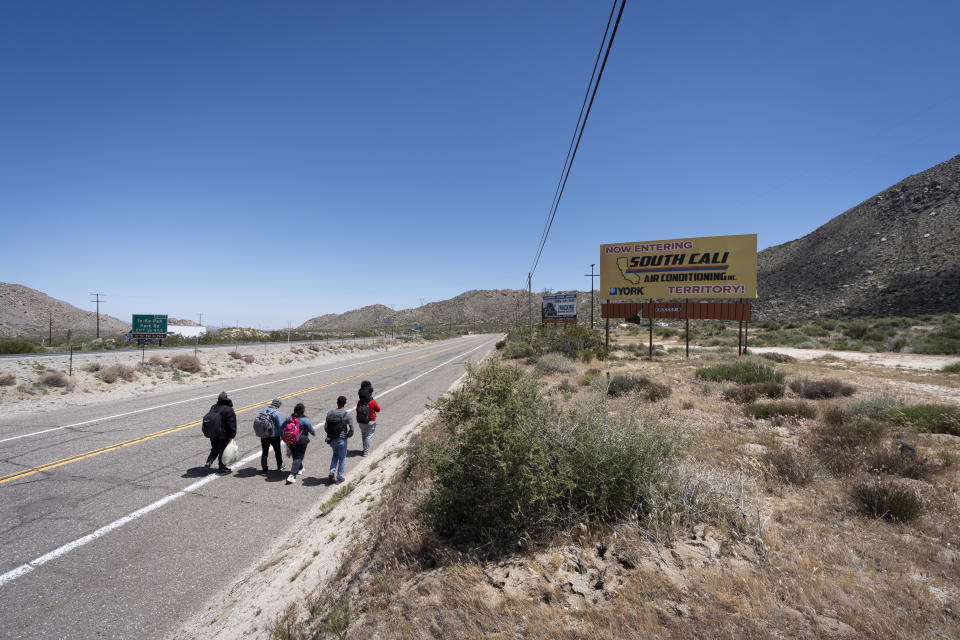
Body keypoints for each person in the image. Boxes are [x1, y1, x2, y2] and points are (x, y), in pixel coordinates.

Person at [204, 391, 237, 474]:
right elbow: (231, 423)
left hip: (213, 433)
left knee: (214, 449)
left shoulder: (213, 407)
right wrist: (232, 435)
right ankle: (222, 468)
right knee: (223, 450)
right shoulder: (229, 409)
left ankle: (208, 463)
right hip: (223, 434)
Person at [282, 403, 315, 484]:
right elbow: (312, 431)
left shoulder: (289, 418)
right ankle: (292, 475)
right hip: (301, 439)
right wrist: (313, 434)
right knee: (299, 457)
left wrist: (284, 437)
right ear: (303, 411)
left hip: (290, 439)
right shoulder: (305, 420)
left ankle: (300, 469)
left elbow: (281, 427)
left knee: (295, 454)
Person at [325, 395, 355, 484]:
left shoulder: (330, 413)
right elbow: (352, 429)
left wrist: (331, 434)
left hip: (332, 439)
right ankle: (339, 478)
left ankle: (332, 471)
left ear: (337, 402)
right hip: (342, 439)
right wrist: (348, 435)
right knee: (342, 458)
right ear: (344, 403)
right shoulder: (347, 415)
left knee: (335, 455)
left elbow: (326, 427)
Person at [260, 398, 286, 473]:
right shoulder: (277, 413)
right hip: (274, 435)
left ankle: (264, 468)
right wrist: (283, 437)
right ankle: (280, 465)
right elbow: (280, 426)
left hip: (264, 434)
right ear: (278, 405)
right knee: (277, 451)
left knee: (265, 451)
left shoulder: (263, 410)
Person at [356, 380, 382, 457]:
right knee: (369, 436)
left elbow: (357, 409)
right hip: (371, 421)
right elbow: (378, 409)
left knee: (364, 435)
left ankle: (364, 449)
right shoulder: (372, 402)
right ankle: (366, 452)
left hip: (361, 421)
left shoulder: (359, 402)